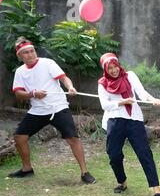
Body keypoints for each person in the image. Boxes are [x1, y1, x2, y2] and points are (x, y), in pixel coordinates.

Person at [9, 37, 96, 184]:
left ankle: (85, 173)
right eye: (26, 53)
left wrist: (70, 87)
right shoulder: (20, 72)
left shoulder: (47, 63)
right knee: (19, 137)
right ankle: (27, 169)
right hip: (37, 111)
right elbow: (18, 94)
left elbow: (64, 78)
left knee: (72, 139)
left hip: (58, 108)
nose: (30, 54)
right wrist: (33, 94)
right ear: (20, 56)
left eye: (32, 51)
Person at [97, 53, 160, 196]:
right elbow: (104, 105)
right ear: (105, 70)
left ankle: (156, 189)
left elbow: (142, 93)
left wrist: (153, 99)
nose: (114, 70)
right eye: (110, 68)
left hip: (133, 119)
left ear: (118, 65)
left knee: (144, 152)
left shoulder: (130, 76)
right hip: (114, 120)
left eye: (115, 66)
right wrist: (122, 102)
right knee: (114, 155)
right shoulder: (102, 83)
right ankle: (122, 182)